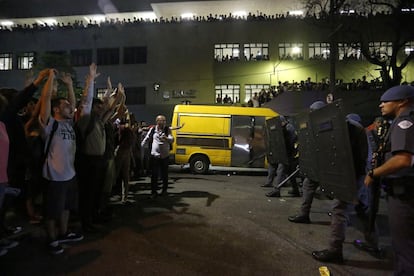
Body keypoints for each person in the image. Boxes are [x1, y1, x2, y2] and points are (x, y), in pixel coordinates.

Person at [364, 85, 414, 275]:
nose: (381, 105)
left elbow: (403, 159)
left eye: (386, 101)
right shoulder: (399, 120)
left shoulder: (404, 122)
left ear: (402, 102)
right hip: (401, 191)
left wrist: (374, 173)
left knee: (405, 248)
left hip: (404, 194)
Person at [311, 109, 369, 263]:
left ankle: (335, 250)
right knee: (363, 209)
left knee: (339, 210)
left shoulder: (349, 128)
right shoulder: (353, 127)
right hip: (358, 175)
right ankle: (373, 243)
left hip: (352, 175)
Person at [39, 68, 83, 254]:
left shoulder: (68, 123)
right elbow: (47, 98)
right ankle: (51, 239)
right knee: (51, 211)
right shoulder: (50, 124)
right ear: (56, 109)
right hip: (55, 176)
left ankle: (64, 232)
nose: (70, 108)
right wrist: (50, 77)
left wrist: (70, 85)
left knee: (66, 207)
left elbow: (73, 104)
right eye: (65, 105)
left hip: (70, 174)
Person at [288, 101, 326, 224]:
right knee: (307, 185)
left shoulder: (326, 123)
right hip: (316, 165)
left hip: (328, 166)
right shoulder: (311, 125)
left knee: (340, 200)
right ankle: (304, 214)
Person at [265, 116, 300, 197]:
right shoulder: (286, 127)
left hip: (288, 153)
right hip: (287, 153)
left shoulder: (289, 128)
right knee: (290, 172)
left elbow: (292, 140)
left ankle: (276, 190)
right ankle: (295, 190)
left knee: (281, 170)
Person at [141, 115, 174, 198]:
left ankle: (164, 191)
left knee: (164, 175)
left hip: (164, 156)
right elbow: (146, 138)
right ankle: (154, 192)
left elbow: (172, 139)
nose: (163, 122)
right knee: (154, 175)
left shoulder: (167, 130)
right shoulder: (153, 129)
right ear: (157, 122)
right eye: (161, 121)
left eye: (164, 121)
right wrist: (141, 146)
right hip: (155, 156)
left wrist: (166, 138)